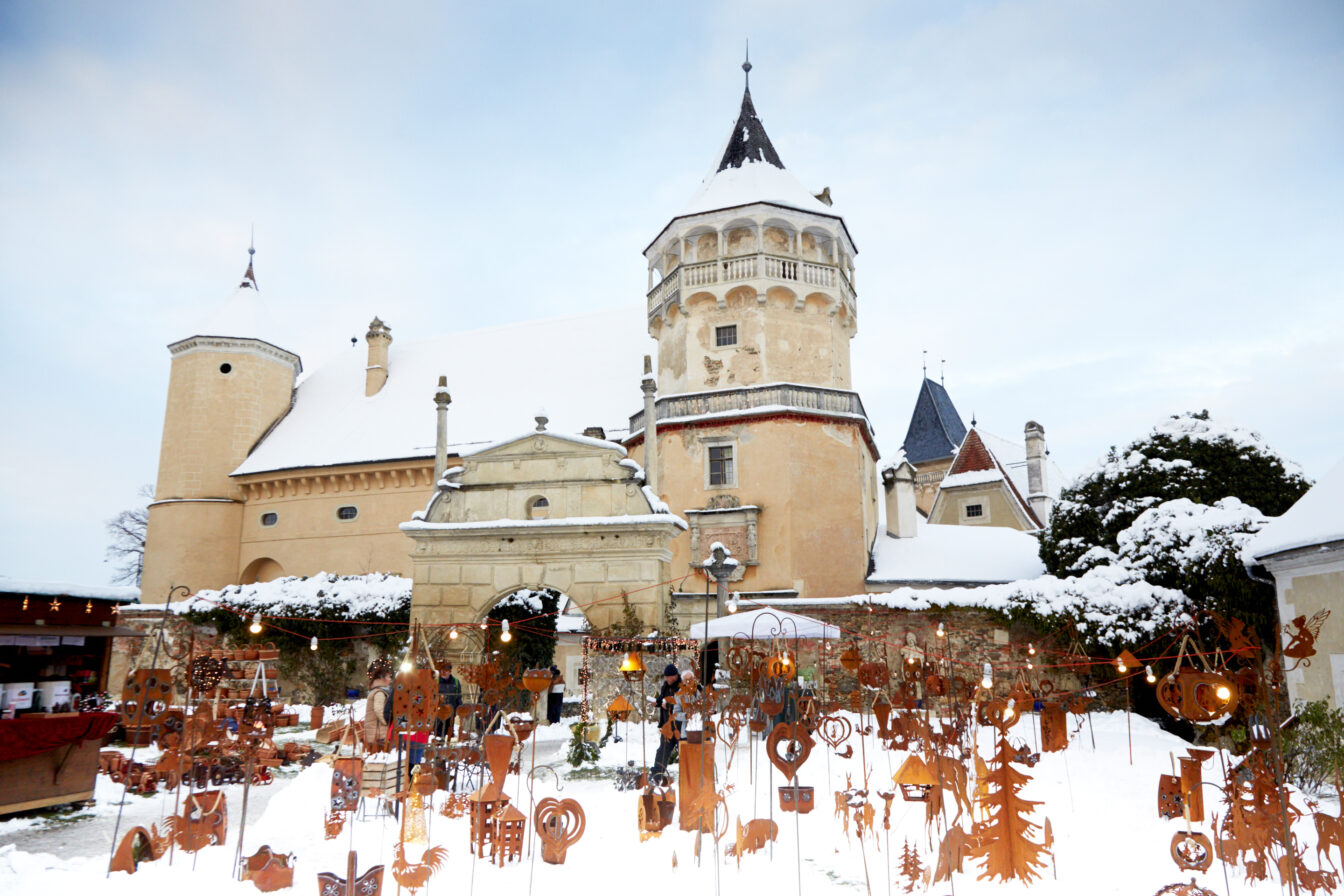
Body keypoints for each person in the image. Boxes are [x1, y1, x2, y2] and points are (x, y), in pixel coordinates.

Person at [651, 664, 683, 782]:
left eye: (669, 677)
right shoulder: (665, 686)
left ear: (675, 676)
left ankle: (688, 777)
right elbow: (662, 699)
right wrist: (657, 702)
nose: (667, 679)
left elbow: (682, 705)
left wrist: (669, 706)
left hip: (679, 727)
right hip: (667, 726)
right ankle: (656, 776)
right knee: (662, 751)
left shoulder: (682, 687)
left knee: (684, 751)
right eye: (666, 677)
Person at [364, 657, 395, 753]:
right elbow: (378, 710)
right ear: (382, 678)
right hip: (378, 733)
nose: (390, 680)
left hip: (375, 732)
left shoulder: (377, 691)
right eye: (389, 677)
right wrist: (386, 723)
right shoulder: (380, 693)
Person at [435, 662, 462, 739]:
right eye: (442, 671)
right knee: (438, 733)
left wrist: (459, 708)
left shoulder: (456, 682)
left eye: (446, 671)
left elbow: (458, 697)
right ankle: (438, 743)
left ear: (450, 671)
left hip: (451, 712)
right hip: (439, 713)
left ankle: (447, 745)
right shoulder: (436, 681)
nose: (444, 673)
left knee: (449, 733)